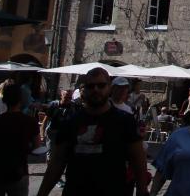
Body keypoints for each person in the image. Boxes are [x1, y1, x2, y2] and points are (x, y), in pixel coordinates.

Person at [35, 67, 148, 196]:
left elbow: (138, 157)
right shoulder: (71, 123)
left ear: (109, 88)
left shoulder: (125, 121)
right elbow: (57, 161)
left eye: (101, 85)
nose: (96, 89)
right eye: (91, 86)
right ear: (84, 90)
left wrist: (142, 189)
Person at [0, 83, 39, 196]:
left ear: (4, 100)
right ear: (21, 100)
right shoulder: (30, 122)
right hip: (19, 171)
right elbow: (37, 146)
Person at [42, 89, 76, 165]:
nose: (68, 100)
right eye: (66, 97)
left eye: (70, 98)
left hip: (66, 133)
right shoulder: (54, 105)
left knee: (62, 154)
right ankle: (49, 170)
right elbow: (45, 120)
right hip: (53, 132)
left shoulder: (73, 106)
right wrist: (42, 134)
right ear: (61, 96)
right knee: (50, 153)